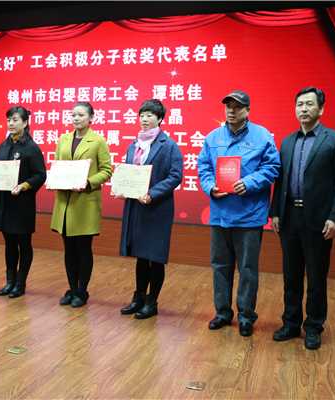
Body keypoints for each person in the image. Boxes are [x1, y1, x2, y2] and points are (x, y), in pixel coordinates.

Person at [270, 87, 335, 350]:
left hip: (318, 219)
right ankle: (291, 323)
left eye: (309, 104)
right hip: (289, 217)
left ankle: (314, 326)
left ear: (321, 109)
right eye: (299, 104)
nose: (303, 109)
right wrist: (275, 212)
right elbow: (280, 181)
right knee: (291, 275)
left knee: (316, 276)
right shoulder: (287, 142)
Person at [197, 90, 280, 336]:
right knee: (220, 266)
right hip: (220, 213)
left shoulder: (262, 136)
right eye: (228, 107)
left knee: (247, 268)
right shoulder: (213, 137)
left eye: (237, 107)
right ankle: (222, 312)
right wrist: (210, 187)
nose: (231, 111)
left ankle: (246, 316)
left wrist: (250, 182)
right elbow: (203, 166)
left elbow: (272, 167)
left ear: (248, 110)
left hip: (249, 215)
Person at [117, 99, 183, 319]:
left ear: (160, 118)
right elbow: (129, 172)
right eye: (142, 115)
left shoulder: (169, 145)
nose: (144, 119)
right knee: (141, 256)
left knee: (154, 256)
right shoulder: (133, 144)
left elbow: (175, 176)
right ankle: (138, 298)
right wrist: (121, 187)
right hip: (136, 208)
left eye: (150, 115)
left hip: (157, 209)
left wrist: (152, 193)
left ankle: (152, 301)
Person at [50, 102, 113, 307]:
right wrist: (53, 179)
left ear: (91, 118)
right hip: (64, 203)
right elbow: (58, 166)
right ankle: (71, 288)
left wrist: (88, 182)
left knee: (83, 249)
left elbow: (107, 170)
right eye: (73, 115)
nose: (76, 118)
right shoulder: (63, 139)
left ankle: (82, 291)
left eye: (81, 115)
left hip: (85, 202)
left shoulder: (98, 141)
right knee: (69, 249)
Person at [0, 106, 46, 298]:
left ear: (25, 122)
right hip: (5, 203)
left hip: (22, 204)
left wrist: (24, 185)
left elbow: (40, 175)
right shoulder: (3, 145)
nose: (11, 123)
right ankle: (10, 282)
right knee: (9, 244)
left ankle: (20, 283)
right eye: (9, 120)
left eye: (15, 120)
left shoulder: (31, 148)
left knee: (24, 243)